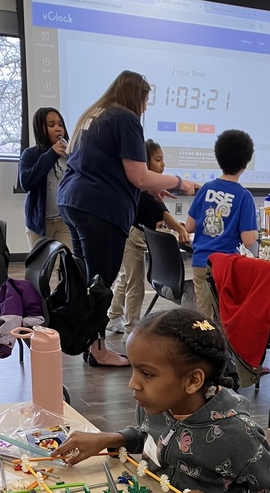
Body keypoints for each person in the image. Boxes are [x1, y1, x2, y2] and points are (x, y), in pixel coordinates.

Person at [51, 308, 270, 493]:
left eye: (146, 374)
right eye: (133, 369)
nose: (133, 383)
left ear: (192, 381)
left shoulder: (238, 435)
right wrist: (110, 438)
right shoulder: (156, 404)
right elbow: (151, 436)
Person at [57, 70, 197, 366]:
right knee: (101, 281)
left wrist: (151, 190)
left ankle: (88, 343)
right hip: (99, 208)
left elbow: (111, 169)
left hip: (73, 200)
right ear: (137, 96)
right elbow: (138, 175)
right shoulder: (126, 118)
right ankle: (98, 351)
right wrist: (177, 182)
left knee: (86, 279)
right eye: (146, 101)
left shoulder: (93, 115)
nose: (145, 108)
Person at [106, 139, 190, 337]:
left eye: (163, 160)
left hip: (130, 234)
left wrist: (174, 225)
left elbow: (158, 212)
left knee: (125, 277)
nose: (163, 164)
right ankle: (131, 329)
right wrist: (179, 228)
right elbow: (162, 213)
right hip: (131, 237)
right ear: (145, 162)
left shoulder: (148, 187)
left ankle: (113, 317)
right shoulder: (144, 187)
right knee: (135, 284)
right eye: (158, 159)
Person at [185, 129, 258, 319]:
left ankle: (206, 346)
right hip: (225, 267)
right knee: (225, 315)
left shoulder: (206, 188)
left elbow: (189, 226)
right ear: (246, 162)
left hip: (201, 262)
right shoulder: (244, 196)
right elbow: (248, 240)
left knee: (204, 316)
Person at [18, 108, 73, 251]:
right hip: (39, 224)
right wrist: (51, 154)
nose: (58, 129)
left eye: (60, 125)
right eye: (51, 125)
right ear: (41, 128)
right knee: (43, 267)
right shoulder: (30, 154)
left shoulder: (70, 154)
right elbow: (26, 182)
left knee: (68, 265)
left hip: (65, 221)